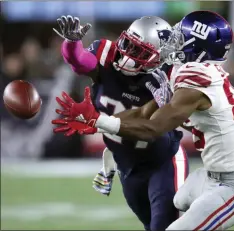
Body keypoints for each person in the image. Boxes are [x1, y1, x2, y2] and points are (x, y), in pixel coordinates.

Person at [52, 11, 234, 230]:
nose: (171, 43)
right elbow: (144, 114)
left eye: (181, 38)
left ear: (197, 48)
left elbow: (153, 128)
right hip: (210, 176)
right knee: (180, 202)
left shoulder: (198, 79)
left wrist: (99, 119)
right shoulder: (184, 71)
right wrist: (95, 121)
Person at [52, 15, 189, 231]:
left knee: (166, 226)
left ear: (158, 59)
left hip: (162, 161)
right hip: (128, 167)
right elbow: (78, 61)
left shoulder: (167, 77)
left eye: (139, 51)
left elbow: (149, 129)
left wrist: (98, 121)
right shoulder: (107, 55)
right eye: (128, 44)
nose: (127, 54)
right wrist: (71, 43)